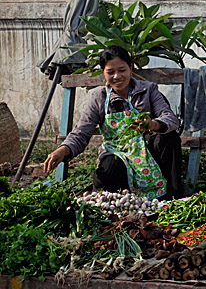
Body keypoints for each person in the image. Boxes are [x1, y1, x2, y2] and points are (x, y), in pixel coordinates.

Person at [44, 45, 183, 199]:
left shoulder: (148, 90)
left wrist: (153, 125)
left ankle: (171, 198)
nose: (117, 76)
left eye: (122, 70)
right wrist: (63, 150)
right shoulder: (99, 97)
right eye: (110, 72)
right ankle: (119, 204)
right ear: (103, 72)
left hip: (147, 152)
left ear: (130, 68)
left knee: (169, 138)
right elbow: (82, 132)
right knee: (109, 169)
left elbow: (169, 118)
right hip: (117, 153)